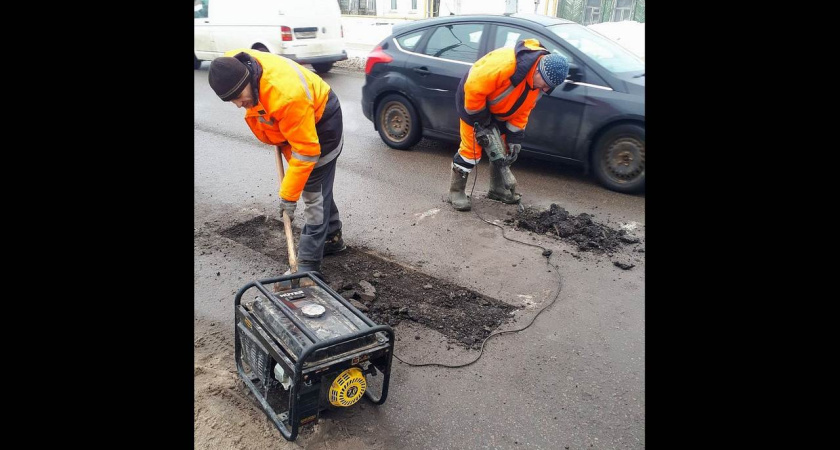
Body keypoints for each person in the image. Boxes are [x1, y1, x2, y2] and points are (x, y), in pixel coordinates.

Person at [208, 49, 346, 275]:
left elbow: (307, 151)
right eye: (231, 100)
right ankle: (332, 237)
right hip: (294, 125)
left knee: (314, 194)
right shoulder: (234, 67)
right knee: (318, 190)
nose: (237, 104)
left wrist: (288, 197)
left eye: (238, 96)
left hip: (322, 123)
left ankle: (307, 268)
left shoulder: (286, 95)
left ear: (248, 80)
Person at [450, 39, 569, 211]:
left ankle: (498, 189)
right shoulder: (507, 64)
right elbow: (474, 87)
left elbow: (523, 110)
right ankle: (456, 192)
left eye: (549, 88)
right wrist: (483, 122)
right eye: (545, 85)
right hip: (474, 103)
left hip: (501, 110)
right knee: (472, 151)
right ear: (538, 71)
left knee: (503, 149)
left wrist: (515, 138)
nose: (545, 90)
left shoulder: (538, 86)